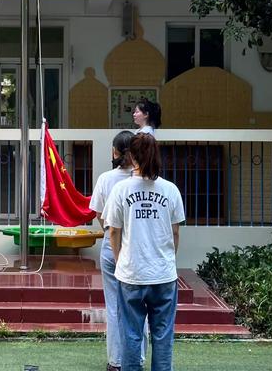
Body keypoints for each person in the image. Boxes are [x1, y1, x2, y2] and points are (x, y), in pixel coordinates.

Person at [103, 133, 185, 371]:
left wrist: (120, 262)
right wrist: (168, 259)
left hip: (131, 274)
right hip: (163, 275)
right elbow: (175, 233)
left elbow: (113, 233)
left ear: (131, 156)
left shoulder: (121, 190)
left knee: (131, 335)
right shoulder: (170, 190)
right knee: (162, 336)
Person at [90, 131, 149, 371]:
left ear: (114, 151)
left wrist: (108, 231)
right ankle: (139, 358)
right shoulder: (146, 180)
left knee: (114, 306)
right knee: (141, 304)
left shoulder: (106, 179)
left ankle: (116, 361)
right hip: (137, 247)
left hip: (110, 246)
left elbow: (98, 213)